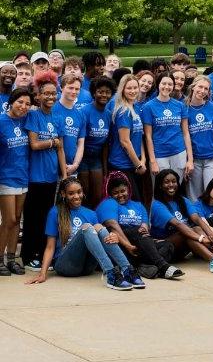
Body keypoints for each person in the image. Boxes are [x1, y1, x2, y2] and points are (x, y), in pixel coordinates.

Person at [26, 177, 142, 290]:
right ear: (63, 194)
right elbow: (50, 247)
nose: (76, 196)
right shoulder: (56, 211)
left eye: (79, 192)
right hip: (65, 265)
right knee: (87, 227)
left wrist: (113, 237)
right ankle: (110, 273)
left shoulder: (91, 213)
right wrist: (43, 273)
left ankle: (127, 270)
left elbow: (101, 241)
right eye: (71, 193)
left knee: (98, 227)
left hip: (87, 267)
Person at [97, 171, 183, 279]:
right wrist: (129, 246)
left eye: (123, 191)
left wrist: (148, 235)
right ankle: (163, 266)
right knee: (137, 232)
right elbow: (112, 227)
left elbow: (144, 226)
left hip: (139, 243)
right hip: (120, 243)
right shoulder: (108, 203)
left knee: (167, 245)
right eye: (116, 192)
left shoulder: (138, 205)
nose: (120, 195)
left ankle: (142, 267)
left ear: (128, 189)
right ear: (110, 194)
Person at [150, 169, 213, 273]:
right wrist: (201, 239)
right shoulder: (157, 205)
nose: (171, 185)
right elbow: (178, 224)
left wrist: (210, 235)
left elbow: (197, 219)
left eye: (174, 181)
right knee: (185, 232)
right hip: (165, 248)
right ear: (160, 186)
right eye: (166, 182)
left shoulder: (183, 200)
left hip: (182, 248)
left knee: (196, 228)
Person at [22, 72, 67, 271]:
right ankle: (28, 255)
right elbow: (33, 144)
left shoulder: (57, 118)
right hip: (35, 176)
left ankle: (41, 254)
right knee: (33, 217)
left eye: (53, 93)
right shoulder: (33, 115)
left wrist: (64, 174)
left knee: (47, 217)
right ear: (38, 96)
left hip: (51, 176)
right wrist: (52, 142)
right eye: (46, 94)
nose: (50, 97)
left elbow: (61, 149)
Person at [0, 88, 33, 275]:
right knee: (9, 220)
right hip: (5, 177)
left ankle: (12, 259)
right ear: (11, 101)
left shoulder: (26, 120)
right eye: (20, 102)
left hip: (23, 176)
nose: (23, 107)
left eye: (27, 104)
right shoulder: (1, 121)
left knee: (17, 221)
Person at [142, 72, 193, 182]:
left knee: (176, 187)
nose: (166, 87)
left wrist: (190, 159)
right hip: (159, 154)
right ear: (158, 84)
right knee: (159, 190)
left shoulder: (180, 105)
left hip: (179, 152)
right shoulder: (148, 107)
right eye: (163, 83)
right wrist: (152, 161)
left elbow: (186, 133)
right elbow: (148, 137)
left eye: (170, 84)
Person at [186, 75, 213, 200]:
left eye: (206, 88)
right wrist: (188, 160)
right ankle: (197, 219)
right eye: (200, 87)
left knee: (212, 194)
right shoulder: (184, 109)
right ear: (193, 87)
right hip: (194, 159)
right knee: (194, 197)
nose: (202, 91)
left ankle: (211, 219)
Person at [108, 75, 146, 201]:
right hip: (122, 164)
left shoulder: (136, 108)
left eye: (135, 87)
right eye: (129, 88)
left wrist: (143, 160)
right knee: (131, 201)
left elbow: (139, 136)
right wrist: (138, 165)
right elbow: (125, 141)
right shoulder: (123, 111)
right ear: (122, 90)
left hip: (135, 163)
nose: (133, 91)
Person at [80, 77, 116, 208]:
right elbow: (80, 140)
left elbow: (106, 143)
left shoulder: (108, 114)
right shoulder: (84, 111)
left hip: (97, 158)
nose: (104, 95)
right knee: (84, 193)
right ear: (94, 93)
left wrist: (105, 168)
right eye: (100, 91)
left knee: (98, 195)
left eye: (107, 92)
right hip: (82, 157)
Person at [53, 75, 85, 174]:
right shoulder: (53, 109)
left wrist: (75, 165)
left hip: (71, 168)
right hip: (53, 167)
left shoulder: (80, 114)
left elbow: (80, 143)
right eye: (70, 88)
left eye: (77, 89)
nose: (74, 91)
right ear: (62, 88)